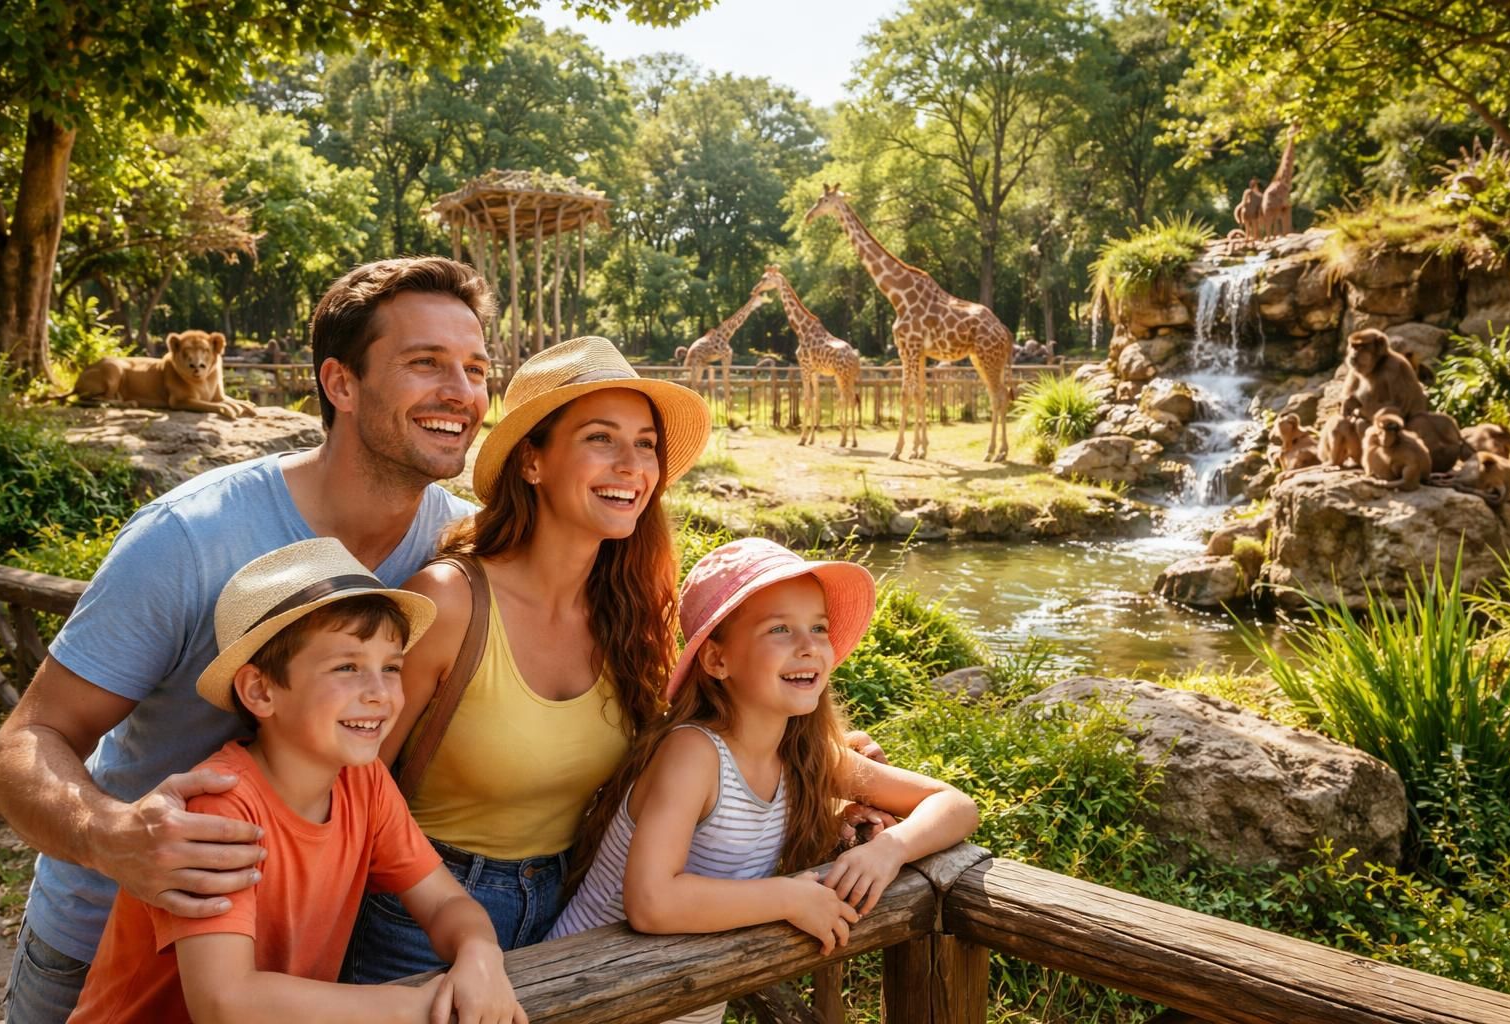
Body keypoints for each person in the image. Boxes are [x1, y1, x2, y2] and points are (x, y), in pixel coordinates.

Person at [0, 256, 494, 1023]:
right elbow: (23, 746)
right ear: (340, 383)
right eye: (426, 363)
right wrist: (110, 833)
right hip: (106, 950)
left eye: (477, 368)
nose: (461, 391)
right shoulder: (191, 537)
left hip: (294, 962)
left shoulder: (453, 544)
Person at [343, 334, 714, 982]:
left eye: (646, 444)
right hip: (419, 914)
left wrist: (837, 778)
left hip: (572, 903)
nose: (632, 464)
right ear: (533, 462)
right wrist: (446, 907)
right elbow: (352, 782)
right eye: (601, 438)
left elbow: (698, 736)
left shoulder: (631, 612)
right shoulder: (449, 602)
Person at [69, 539, 524, 1024]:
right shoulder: (219, 807)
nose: (379, 693)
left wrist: (480, 955)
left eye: (391, 668)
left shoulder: (363, 782)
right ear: (261, 691)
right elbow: (224, 1003)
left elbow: (446, 902)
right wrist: (415, 1008)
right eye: (347, 667)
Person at [547, 538, 978, 1024]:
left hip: (686, 1001)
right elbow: (651, 902)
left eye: (818, 627)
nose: (809, 646)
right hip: (588, 994)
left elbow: (956, 804)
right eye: (780, 629)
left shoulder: (806, 758)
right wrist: (790, 896)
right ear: (716, 661)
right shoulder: (693, 754)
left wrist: (888, 849)